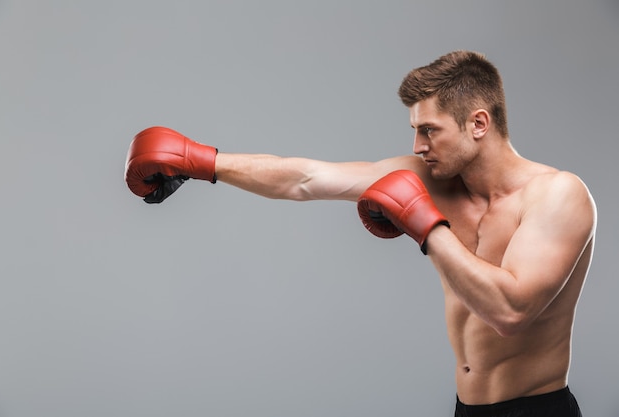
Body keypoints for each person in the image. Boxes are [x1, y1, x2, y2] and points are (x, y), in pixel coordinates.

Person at [124, 50, 596, 416]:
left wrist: (426, 225)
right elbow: (305, 178)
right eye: (415, 131)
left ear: (478, 123)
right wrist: (202, 161)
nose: (417, 146)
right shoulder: (429, 177)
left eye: (429, 131)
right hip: (465, 407)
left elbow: (510, 312)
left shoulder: (557, 196)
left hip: (538, 410)